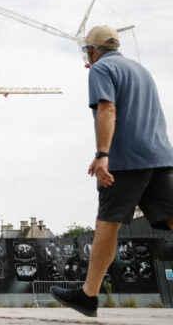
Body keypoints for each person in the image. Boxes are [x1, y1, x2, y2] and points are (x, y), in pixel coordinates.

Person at [52, 26, 173, 317]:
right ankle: (87, 296)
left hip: (127, 160)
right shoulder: (140, 70)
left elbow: (107, 109)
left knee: (107, 224)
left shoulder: (100, 69)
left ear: (91, 51)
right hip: (161, 155)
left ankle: (88, 296)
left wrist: (102, 154)